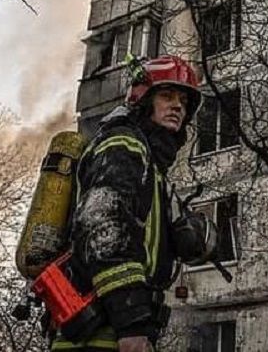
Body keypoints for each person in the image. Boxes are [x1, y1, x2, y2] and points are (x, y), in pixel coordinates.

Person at [51, 55, 216, 352]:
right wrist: (132, 322)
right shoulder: (123, 144)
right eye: (167, 95)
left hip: (118, 331)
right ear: (143, 100)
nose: (178, 106)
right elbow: (105, 229)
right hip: (101, 333)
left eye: (183, 101)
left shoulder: (152, 167)